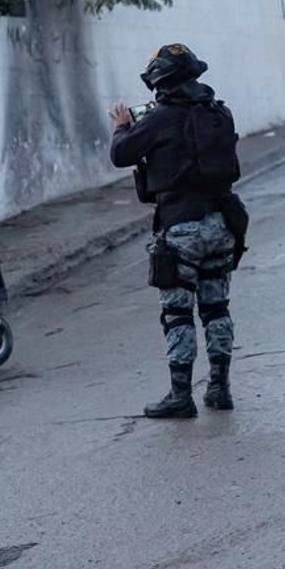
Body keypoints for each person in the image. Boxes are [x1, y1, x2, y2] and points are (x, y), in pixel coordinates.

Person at [109, 44, 249, 419]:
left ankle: (181, 395)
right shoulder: (220, 113)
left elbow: (121, 154)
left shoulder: (160, 118)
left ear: (161, 83)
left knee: (178, 313)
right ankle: (219, 388)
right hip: (222, 223)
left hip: (182, 227)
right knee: (217, 308)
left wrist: (122, 126)